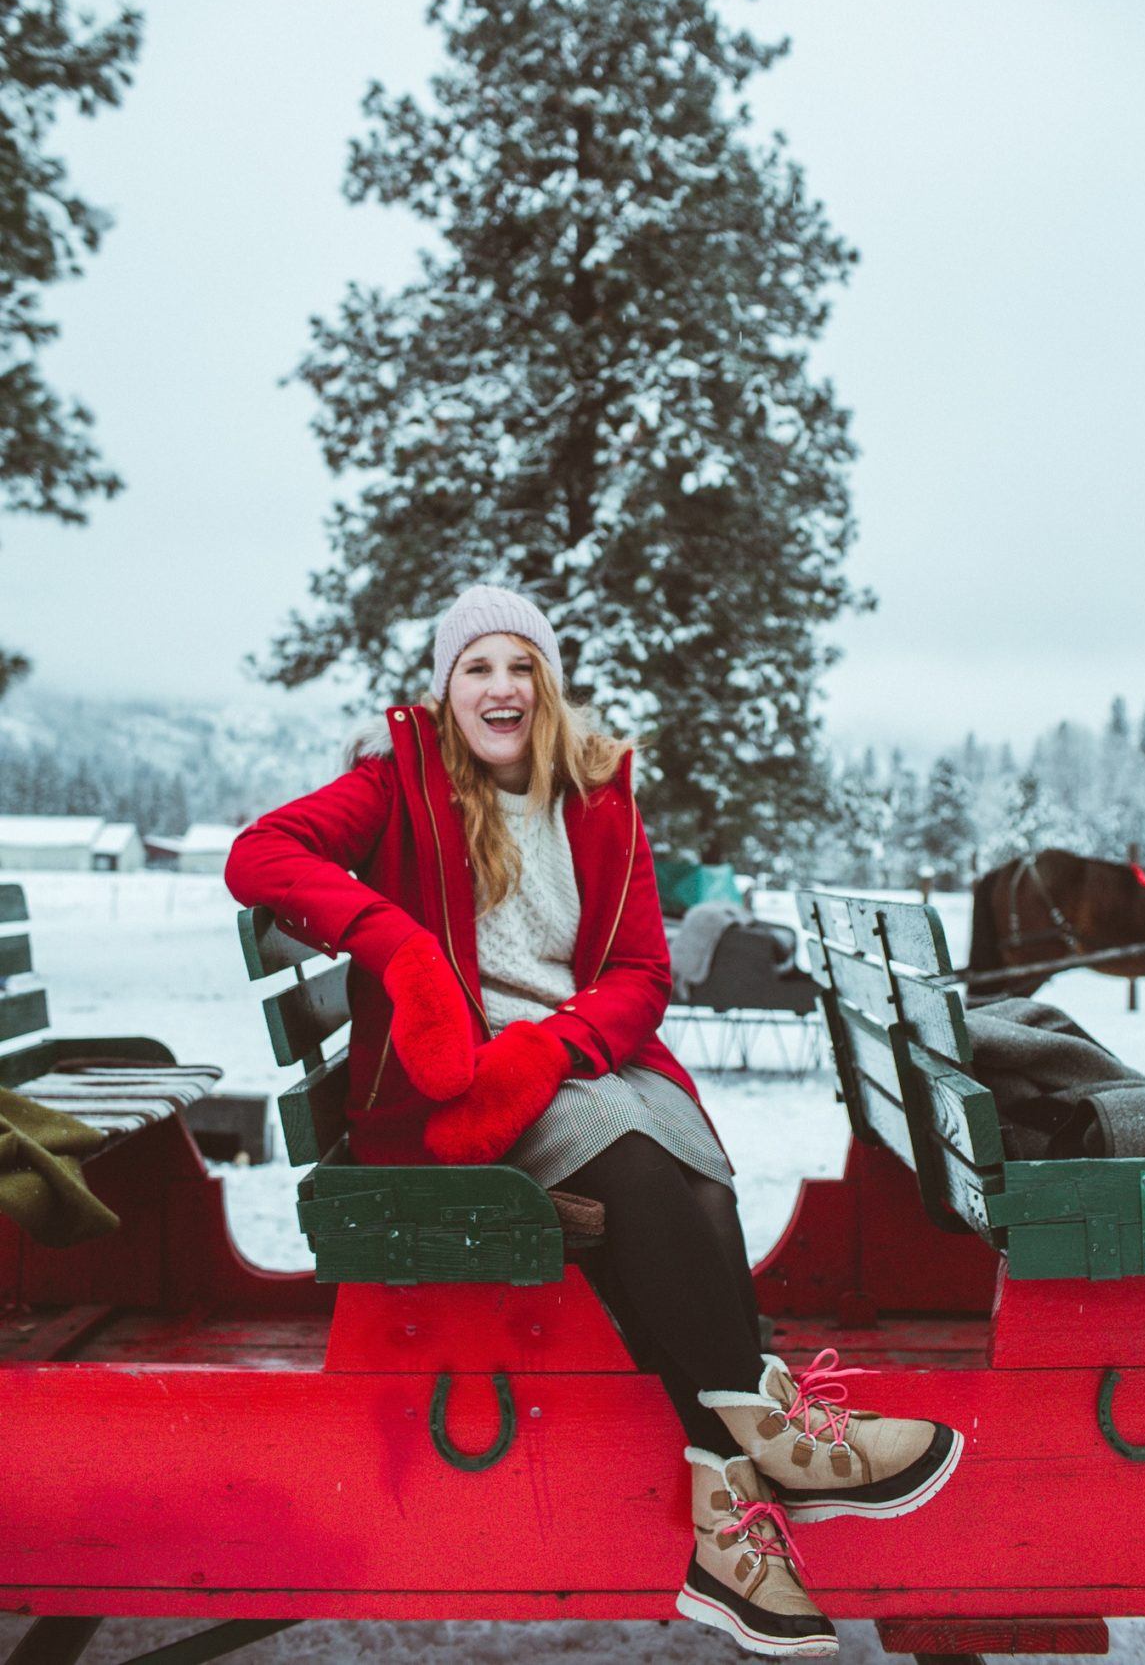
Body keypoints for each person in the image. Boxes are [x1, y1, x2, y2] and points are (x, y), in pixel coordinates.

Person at [224, 584, 962, 1659]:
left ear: (548, 683)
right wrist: (399, 944)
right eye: (475, 668)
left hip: (570, 1055)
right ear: (443, 690)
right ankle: (779, 1437)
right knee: (637, 1171)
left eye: (520, 666)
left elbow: (639, 970)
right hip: (457, 1091)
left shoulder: (599, 790)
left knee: (697, 1172)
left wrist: (557, 1044)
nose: (500, 687)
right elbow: (260, 856)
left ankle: (731, 1520)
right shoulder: (396, 782)